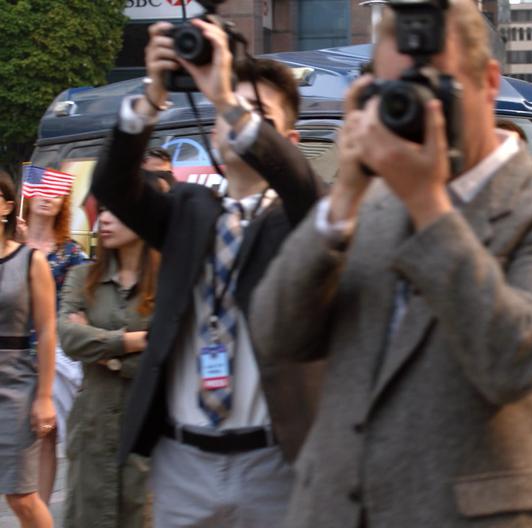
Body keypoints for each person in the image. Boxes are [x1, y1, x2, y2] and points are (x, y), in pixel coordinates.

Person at [248, 1, 532, 525]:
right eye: (395, 89)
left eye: (434, 85)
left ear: (489, 83)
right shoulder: (367, 203)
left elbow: (514, 362)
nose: (416, 107)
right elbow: (274, 334)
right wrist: (345, 194)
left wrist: (428, 203)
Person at [91, 19, 325, 527]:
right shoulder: (188, 210)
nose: (231, 114)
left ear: (287, 138)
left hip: (276, 462)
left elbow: (308, 191)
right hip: (183, 462)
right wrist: (151, 95)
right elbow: (112, 184)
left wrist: (225, 97)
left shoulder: (307, 217)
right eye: (222, 108)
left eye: (254, 112)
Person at [58, 207, 160, 528]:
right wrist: (132, 342)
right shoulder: (82, 277)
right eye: (102, 210)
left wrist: (100, 351)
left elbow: (168, 355)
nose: (104, 218)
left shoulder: (166, 283)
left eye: (117, 210)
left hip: (145, 431)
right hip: (92, 429)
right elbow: (69, 337)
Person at [20, 192, 86, 505]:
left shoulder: (71, 252)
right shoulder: (10, 248)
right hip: (13, 352)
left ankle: (40, 513)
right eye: (41, 192)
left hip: (53, 355)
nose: (47, 199)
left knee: (48, 436)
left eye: (55, 194)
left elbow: (82, 300)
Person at [0, 170, 56, 528]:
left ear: (6, 206)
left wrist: (45, 396)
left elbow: (48, 330)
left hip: (15, 385)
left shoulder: (30, 261)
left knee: (21, 496)